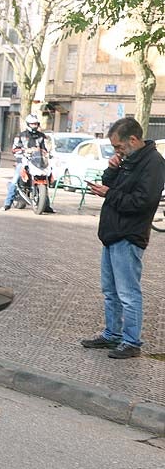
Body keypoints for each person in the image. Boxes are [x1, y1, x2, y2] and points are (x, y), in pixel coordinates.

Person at [80, 117, 165, 359]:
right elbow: (111, 184)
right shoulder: (130, 159)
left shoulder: (154, 163)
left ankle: (131, 342)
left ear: (133, 139)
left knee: (128, 293)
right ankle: (112, 334)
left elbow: (142, 202)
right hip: (112, 233)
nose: (117, 150)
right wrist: (112, 167)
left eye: (118, 147)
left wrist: (110, 193)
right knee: (110, 291)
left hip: (129, 235)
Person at [3, 113, 49, 211]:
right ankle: (7, 203)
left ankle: (46, 205)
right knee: (15, 180)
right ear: (28, 124)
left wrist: (47, 153)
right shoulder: (21, 135)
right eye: (32, 124)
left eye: (36, 124)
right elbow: (14, 149)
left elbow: (46, 148)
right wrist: (24, 151)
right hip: (23, 160)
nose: (34, 126)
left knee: (46, 179)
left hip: (37, 161)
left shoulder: (42, 136)